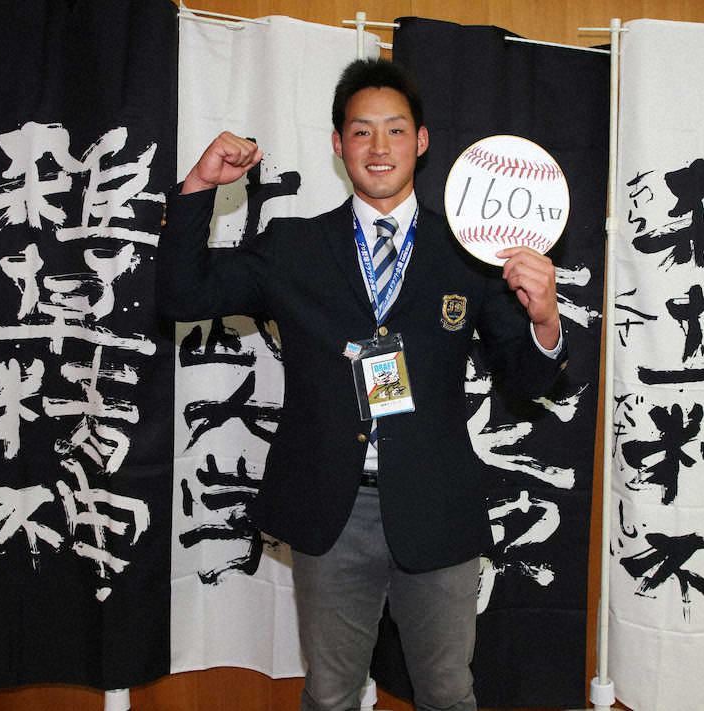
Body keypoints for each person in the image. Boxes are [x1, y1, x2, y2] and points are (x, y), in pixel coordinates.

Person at [157, 58, 567, 711]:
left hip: (437, 507)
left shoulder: (469, 253)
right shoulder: (293, 247)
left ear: (422, 141)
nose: (379, 147)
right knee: (329, 695)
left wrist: (545, 319)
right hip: (332, 509)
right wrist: (200, 185)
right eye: (361, 131)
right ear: (338, 144)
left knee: (448, 692)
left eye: (396, 130)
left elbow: (529, 377)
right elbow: (183, 295)